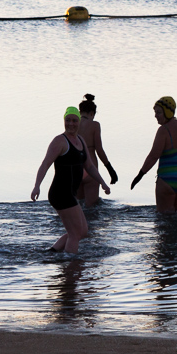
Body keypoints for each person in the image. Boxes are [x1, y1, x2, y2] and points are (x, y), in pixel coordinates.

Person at [32, 106, 109, 255]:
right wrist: (37, 186)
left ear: (79, 122)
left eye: (74, 121)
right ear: (64, 121)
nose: (71, 124)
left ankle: (52, 253)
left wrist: (103, 183)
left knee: (83, 231)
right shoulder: (59, 141)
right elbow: (45, 164)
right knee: (75, 234)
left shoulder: (80, 140)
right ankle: (70, 265)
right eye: (68, 120)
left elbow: (90, 166)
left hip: (70, 194)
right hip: (60, 193)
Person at [76, 94, 120, 208]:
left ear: (80, 111)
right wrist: (110, 170)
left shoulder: (73, 124)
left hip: (75, 168)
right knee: (91, 208)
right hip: (91, 169)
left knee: (78, 207)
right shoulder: (95, 125)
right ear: (92, 113)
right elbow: (99, 150)